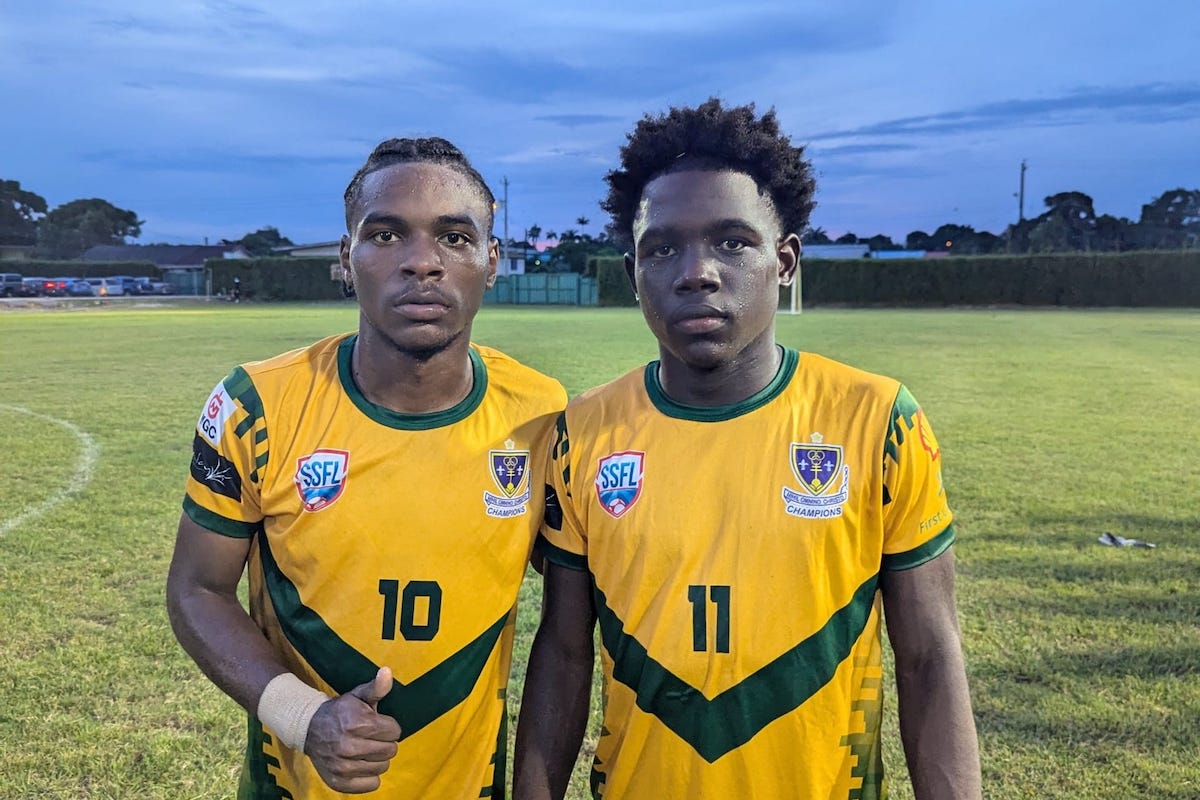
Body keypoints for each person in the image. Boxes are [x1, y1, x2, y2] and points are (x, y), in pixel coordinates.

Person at [513, 99, 981, 800]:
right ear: (631, 273)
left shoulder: (877, 419)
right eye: (662, 247)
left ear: (785, 261)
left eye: (732, 242)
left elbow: (928, 660)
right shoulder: (583, 432)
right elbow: (564, 652)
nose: (696, 272)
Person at [167, 136, 566, 799]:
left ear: (491, 260)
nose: (421, 263)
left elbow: (577, 610)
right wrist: (305, 716)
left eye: (455, 238)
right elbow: (197, 591)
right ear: (347, 259)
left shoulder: (542, 415)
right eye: (385, 235)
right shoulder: (257, 406)